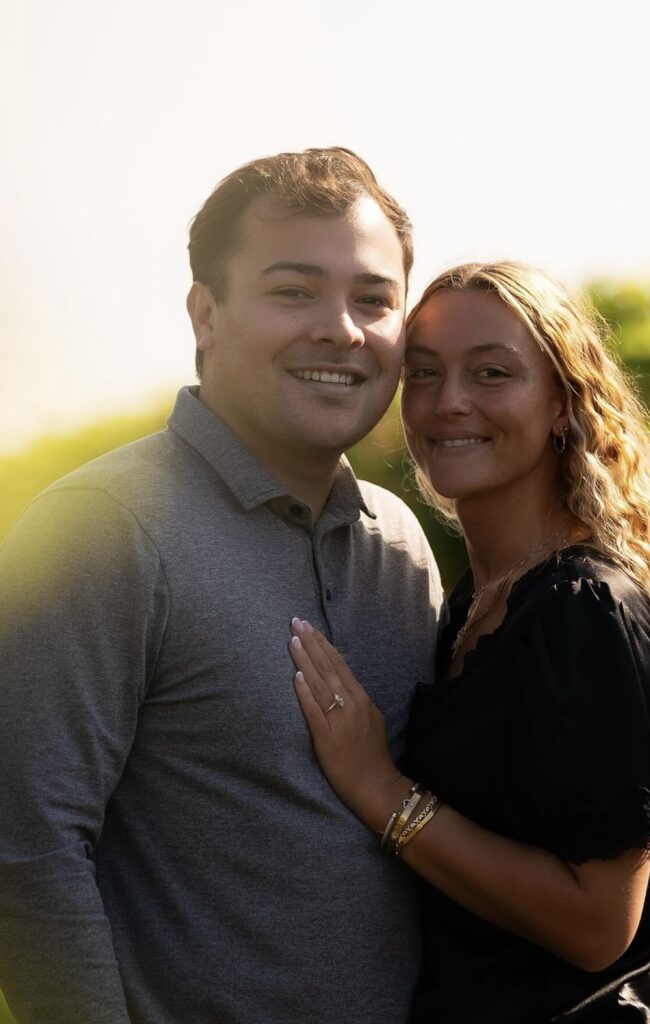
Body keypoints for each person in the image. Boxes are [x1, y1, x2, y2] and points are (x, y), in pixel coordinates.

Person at [0, 148, 443, 1024]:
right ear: (206, 313)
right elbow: (28, 849)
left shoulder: (401, 541)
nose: (340, 329)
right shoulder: (101, 525)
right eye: (293, 292)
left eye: (372, 299)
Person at [288, 261, 650, 1022]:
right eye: (424, 373)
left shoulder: (582, 609)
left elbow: (600, 927)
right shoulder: (476, 604)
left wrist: (382, 793)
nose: (449, 403)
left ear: (562, 407)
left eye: (492, 372)